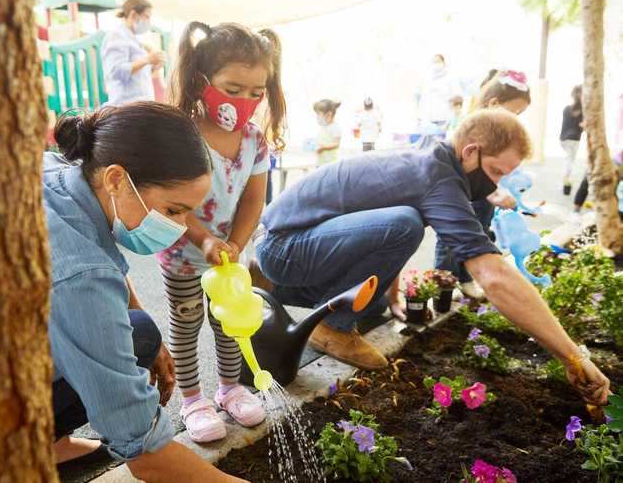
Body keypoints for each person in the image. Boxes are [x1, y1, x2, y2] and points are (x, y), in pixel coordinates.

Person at [254, 109, 610, 408]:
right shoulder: (439, 180)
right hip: (286, 245)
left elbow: (371, 220)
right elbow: (493, 275)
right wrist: (573, 356)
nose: (496, 185)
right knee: (405, 225)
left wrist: (388, 294)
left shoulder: (430, 156)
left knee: (394, 250)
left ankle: (274, 283)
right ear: (470, 151)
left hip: (292, 236)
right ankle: (331, 327)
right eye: (497, 172)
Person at [44, 102, 246, 483]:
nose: (180, 227)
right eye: (173, 210)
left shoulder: (61, 175)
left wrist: (149, 334)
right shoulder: (80, 273)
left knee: (140, 333)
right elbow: (148, 457)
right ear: (117, 179)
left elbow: (104, 268)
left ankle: (49, 441)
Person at [158, 22, 286, 443]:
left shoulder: (254, 141)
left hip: (228, 259)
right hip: (182, 255)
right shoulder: (182, 135)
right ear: (201, 81)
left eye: (255, 92)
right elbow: (172, 202)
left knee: (234, 322)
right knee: (187, 322)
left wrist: (234, 241)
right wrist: (204, 239)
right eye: (232, 88)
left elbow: (253, 199)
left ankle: (231, 389)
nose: (244, 102)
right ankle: (193, 399)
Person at [433, 70, 530, 301]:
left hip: (483, 197)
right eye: (514, 112)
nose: (516, 118)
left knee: (479, 232)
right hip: (464, 195)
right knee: (452, 237)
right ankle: (444, 282)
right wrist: (495, 191)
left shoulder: (501, 132)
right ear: (495, 103)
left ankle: (465, 278)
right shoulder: (472, 128)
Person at [101, 0, 165, 105]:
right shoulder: (116, 36)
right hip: (125, 106)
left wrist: (154, 66)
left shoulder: (134, 39)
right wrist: (148, 60)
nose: (149, 22)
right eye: (146, 17)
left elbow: (137, 75)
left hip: (140, 105)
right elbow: (115, 71)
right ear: (133, 14)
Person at [416, 54, 461, 133]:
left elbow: (456, 97)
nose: (436, 64)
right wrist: (420, 116)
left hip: (445, 117)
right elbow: (424, 99)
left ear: (443, 63)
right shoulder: (428, 79)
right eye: (434, 62)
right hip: (430, 118)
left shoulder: (450, 77)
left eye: (438, 61)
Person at [560, 85, 584, 195]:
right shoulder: (582, 111)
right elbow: (582, 125)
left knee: (568, 160)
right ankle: (566, 182)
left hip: (563, 138)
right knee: (570, 161)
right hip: (574, 139)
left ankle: (566, 182)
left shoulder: (566, 109)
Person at [313, 99, 343, 165]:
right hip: (320, 162)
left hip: (330, 163)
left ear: (329, 114)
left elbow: (336, 144)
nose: (317, 117)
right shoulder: (323, 127)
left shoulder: (335, 127)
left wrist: (323, 148)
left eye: (319, 115)